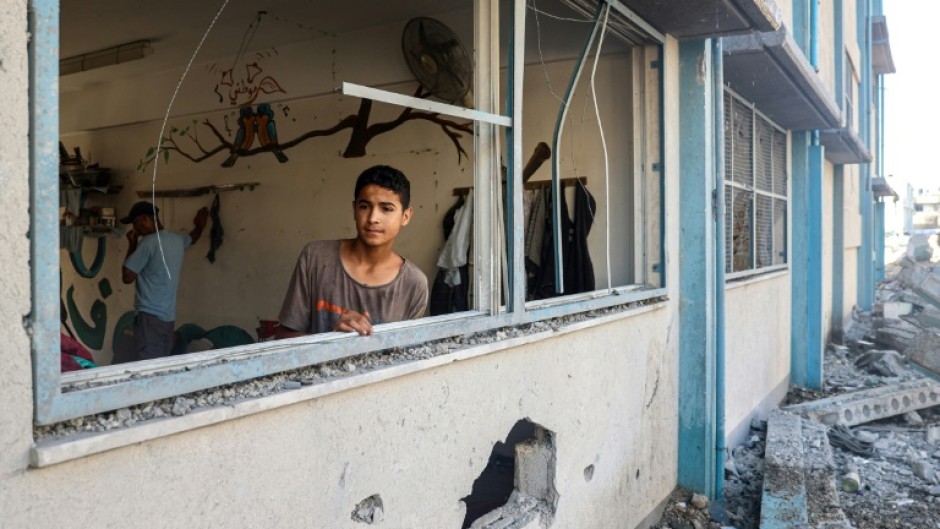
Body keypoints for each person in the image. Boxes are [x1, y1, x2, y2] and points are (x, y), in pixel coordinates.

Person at [277, 165, 428, 338]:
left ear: (406, 216)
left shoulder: (414, 284)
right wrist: (333, 340)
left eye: (386, 209)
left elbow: (407, 353)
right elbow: (283, 337)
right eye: (365, 206)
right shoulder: (316, 258)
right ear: (354, 209)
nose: (373, 218)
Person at [121, 201, 208, 361]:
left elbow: (127, 276)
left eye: (135, 223)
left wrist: (132, 244)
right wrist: (200, 225)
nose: (135, 228)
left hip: (149, 318)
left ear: (145, 218)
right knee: (161, 363)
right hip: (168, 318)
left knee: (148, 366)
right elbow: (193, 237)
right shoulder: (177, 240)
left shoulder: (148, 243)